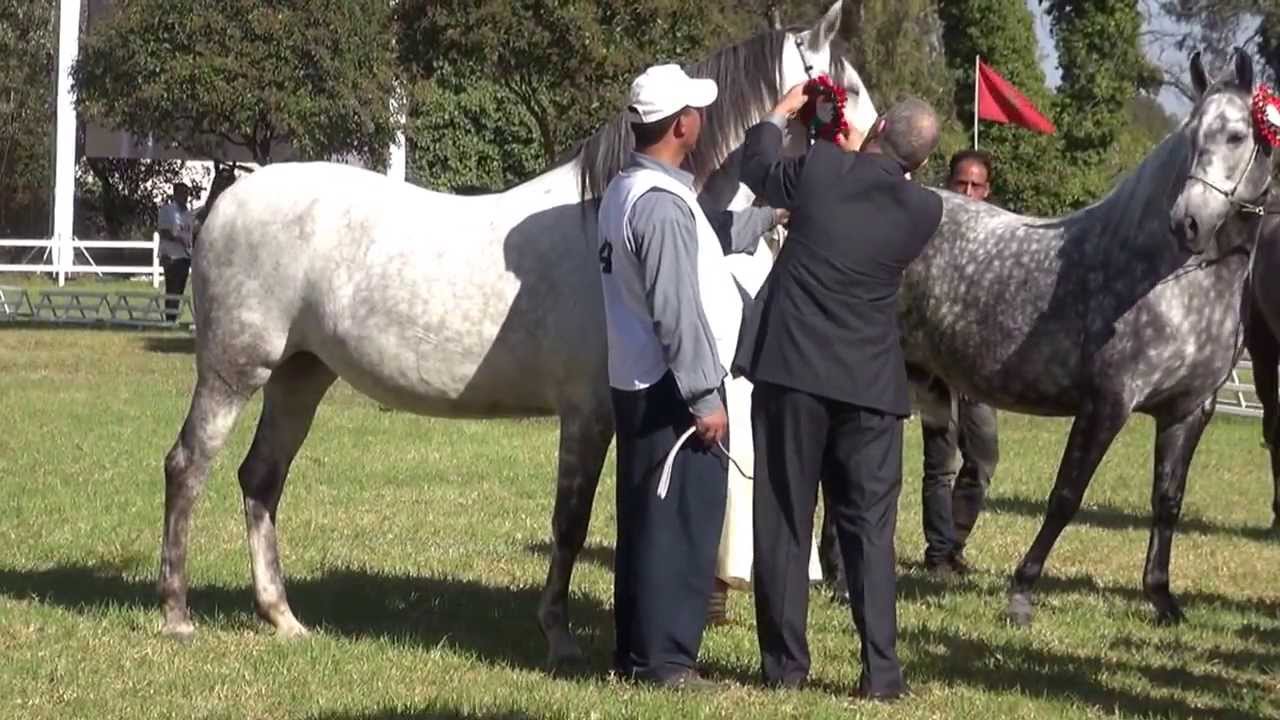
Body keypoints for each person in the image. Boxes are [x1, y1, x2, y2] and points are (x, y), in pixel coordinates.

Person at [733, 85, 944, 700]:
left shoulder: (823, 166)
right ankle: (882, 673)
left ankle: (786, 669)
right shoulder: (923, 210)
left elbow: (758, 169)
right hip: (872, 386)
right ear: (923, 163)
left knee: (784, 521)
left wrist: (779, 114)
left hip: (793, 370)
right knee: (870, 533)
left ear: (875, 124)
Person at [597, 63, 783, 689]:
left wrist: (771, 216)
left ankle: (637, 651)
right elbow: (677, 310)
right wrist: (707, 395)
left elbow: (708, 235)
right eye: (697, 110)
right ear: (683, 124)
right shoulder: (663, 207)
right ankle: (667, 662)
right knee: (680, 526)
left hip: (639, 382)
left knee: (649, 523)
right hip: (675, 391)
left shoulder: (634, 189)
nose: (703, 117)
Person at [920, 150, 1001, 577]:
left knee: (983, 457)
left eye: (976, 186)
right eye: (960, 184)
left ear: (987, 191)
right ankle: (938, 556)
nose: (968, 192)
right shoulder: (928, 229)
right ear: (948, 183)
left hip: (979, 371)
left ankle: (954, 542)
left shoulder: (1000, 238)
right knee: (939, 463)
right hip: (935, 367)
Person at [157, 182, 195, 323]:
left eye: (186, 194)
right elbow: (163, 231)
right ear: (175, 194)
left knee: (179, 289)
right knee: (172, 288)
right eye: (182, 193)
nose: (185, 197)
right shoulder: (167, 211)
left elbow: (191, 233)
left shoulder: (188, 214)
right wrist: (178, 239)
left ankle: (173, 317)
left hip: (185, 256)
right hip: (171, 255)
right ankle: (169, 319)